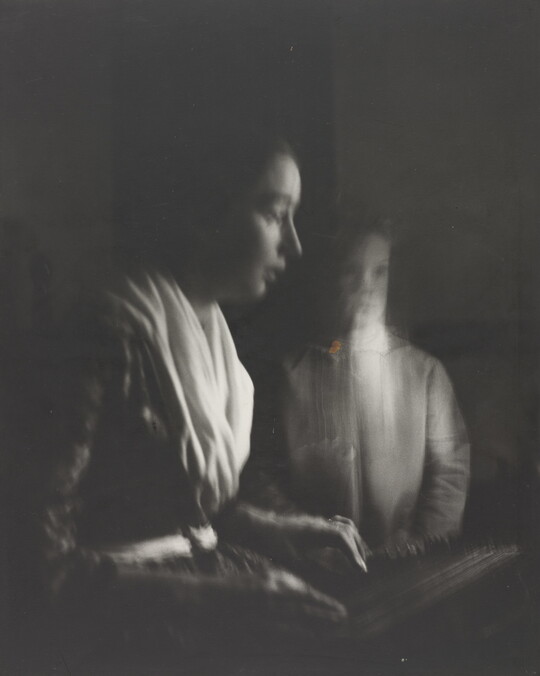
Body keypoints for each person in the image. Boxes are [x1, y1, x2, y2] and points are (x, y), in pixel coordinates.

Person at [6, 122, 368, 667]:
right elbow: (37, 567)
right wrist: (217, 597)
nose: (293, 244)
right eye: (275, 215)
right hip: (124, 637)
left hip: (205, 598)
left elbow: (176, 507)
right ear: (206, 213)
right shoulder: (105, 334)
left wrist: (278, 529)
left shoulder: (210, 333)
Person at [280, 219, 470, 553]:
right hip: (318, 559)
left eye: (380, 272)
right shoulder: (293, 373)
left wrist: (420, 543)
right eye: (351, 271)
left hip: (406, 560)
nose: (366, 287)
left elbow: (449, 471)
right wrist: (311, 537)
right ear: (330, 277)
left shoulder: (425, 373)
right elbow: (263, 475)